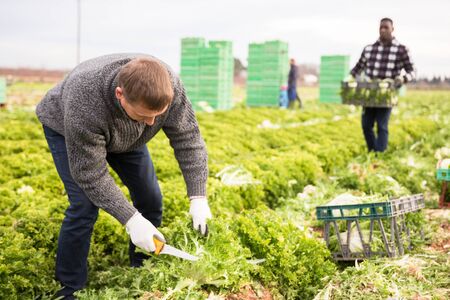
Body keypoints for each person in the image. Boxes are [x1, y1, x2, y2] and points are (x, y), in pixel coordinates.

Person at [35, 54, 212, 299]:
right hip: (67, 129)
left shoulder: (169, 86)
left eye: (157, 116)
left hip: (125, 136)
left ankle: (141, 267)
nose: (151, 124)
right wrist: (130, 220)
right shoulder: (85, 100)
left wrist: (198, 196)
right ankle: (70, 286)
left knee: (150, 198)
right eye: (144, 116)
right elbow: (90, 175)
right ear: (120, 94)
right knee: (84, 206)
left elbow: (188, 140)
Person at [350, 18, 415, 152]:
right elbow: (358, 68)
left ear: (392, 29)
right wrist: (349, 79)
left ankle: (379, 154)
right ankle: (372, 150)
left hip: (387, 93)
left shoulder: (401, 49)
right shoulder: (369, 49)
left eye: (386, 27)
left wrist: (403, 79)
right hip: (369, 93)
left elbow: (412, 71)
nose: (383, 30)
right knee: (366, 124)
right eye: (381, 28)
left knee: (382, 125)